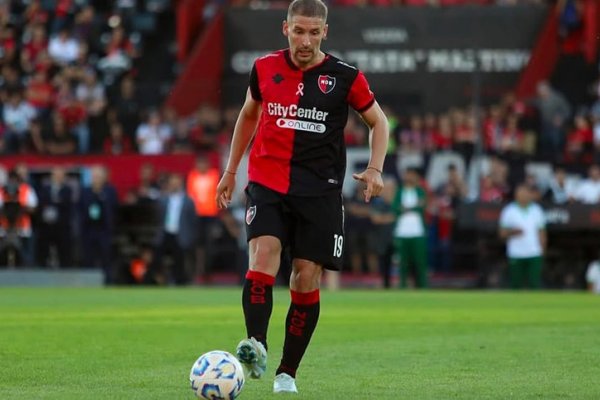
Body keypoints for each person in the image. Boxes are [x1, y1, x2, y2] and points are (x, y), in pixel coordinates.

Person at [215, 0, 388, 393]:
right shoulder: (264, 68)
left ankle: (287, 372)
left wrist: (375, 168)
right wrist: (230, 171)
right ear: (285, 29)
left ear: (325, 32)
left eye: (313, 32)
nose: (305, 40)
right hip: (268, 181)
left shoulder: (345, 76)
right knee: (262, 254)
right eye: (298, 31)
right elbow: (247, 115)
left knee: (306, 278)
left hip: (320, 191)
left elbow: (379, 122)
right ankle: (254, 344)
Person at [499, 184, 547, 289]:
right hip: (516, 253)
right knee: (516, 285)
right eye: (521, 193)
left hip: (534, 252)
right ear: (516, 195)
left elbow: (542, 233)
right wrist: (512, 232)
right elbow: (502, 234)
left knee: (534, 284)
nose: (523, 196)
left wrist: (542, 251)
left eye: (525, 193)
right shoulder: (509, 211)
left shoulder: (537, 210)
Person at [154, 174, 197, 285]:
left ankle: (179, 281)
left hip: (180, 234)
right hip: (166, 233)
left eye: (176, 183)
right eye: (172, 183)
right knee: (158, 257)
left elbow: (192, 221)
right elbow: (158, 217)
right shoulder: (163, 199)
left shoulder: (188, 201)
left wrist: (190, 237)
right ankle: (158, 280)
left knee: (179, 260)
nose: (174, 185)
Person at [392, 168, 428, 288]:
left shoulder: (420, 191)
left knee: (420, 262)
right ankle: (402, 286)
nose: (409, 177)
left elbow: (422, 207)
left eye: (412, 175)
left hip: (418, 232)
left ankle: (423, 286)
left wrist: (406, 208)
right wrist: (414, 206)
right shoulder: (400, 191)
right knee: (402, 263)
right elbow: (395, 208)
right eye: (408, 174)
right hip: (402, 232)